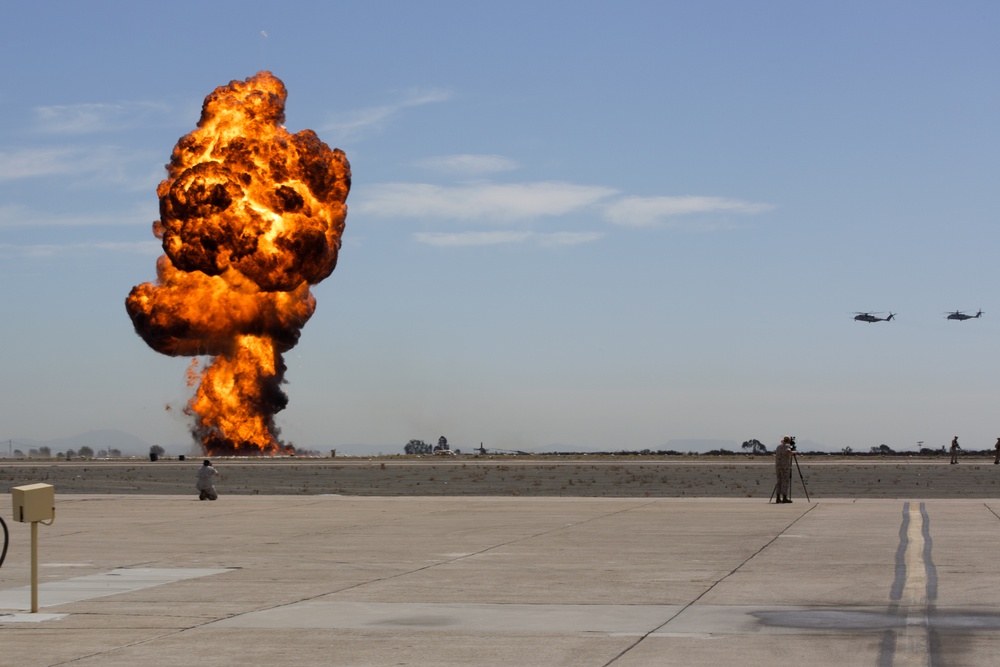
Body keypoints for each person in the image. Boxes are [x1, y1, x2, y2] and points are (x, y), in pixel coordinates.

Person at [774, 436, 794, 503]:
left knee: (779, 481)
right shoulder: (787, 446)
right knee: (785, 481)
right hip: (784, 466)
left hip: (778, 466)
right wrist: (793, 453)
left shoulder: (778, 446)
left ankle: (778, 497)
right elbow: (788, 451)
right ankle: (784, 497)